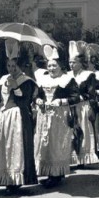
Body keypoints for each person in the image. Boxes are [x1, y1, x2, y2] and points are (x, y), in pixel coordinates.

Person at [0, 39, 37, 194]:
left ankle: (15, 181)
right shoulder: (3, 79)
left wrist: (16, 88)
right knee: (3, 147)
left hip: (18, 118)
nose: (11, 69)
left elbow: (26, 101)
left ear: (20, 66)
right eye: (9, 66)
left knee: (15, 148)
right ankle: (3, 177)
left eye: (14, 66)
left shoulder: (26, 81)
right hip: (4, 117)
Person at [34, 45, 79, 188]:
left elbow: (75, 97)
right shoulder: (43, 79)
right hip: (44, 116)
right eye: (49, 65)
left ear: (60, 66)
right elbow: (37, 95)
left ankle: (56, 174)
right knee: (45, 144)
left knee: (57, 145)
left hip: (60, 117)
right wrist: (38, 100)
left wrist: (60, 101)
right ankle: (49, 172)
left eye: (54, 65)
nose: (51, 68)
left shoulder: (67, 80)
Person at [66, 41, 99, 167]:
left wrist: (85, 100)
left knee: (83, 130)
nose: (71, 65)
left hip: (83, 106)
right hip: (70, 107)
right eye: (70, 62)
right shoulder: (67, 75)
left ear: (81, 63)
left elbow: (91, 93)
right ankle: (72, 157)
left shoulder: (88, 75)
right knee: (71, 131)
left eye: (74, 62)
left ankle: (83, 158)